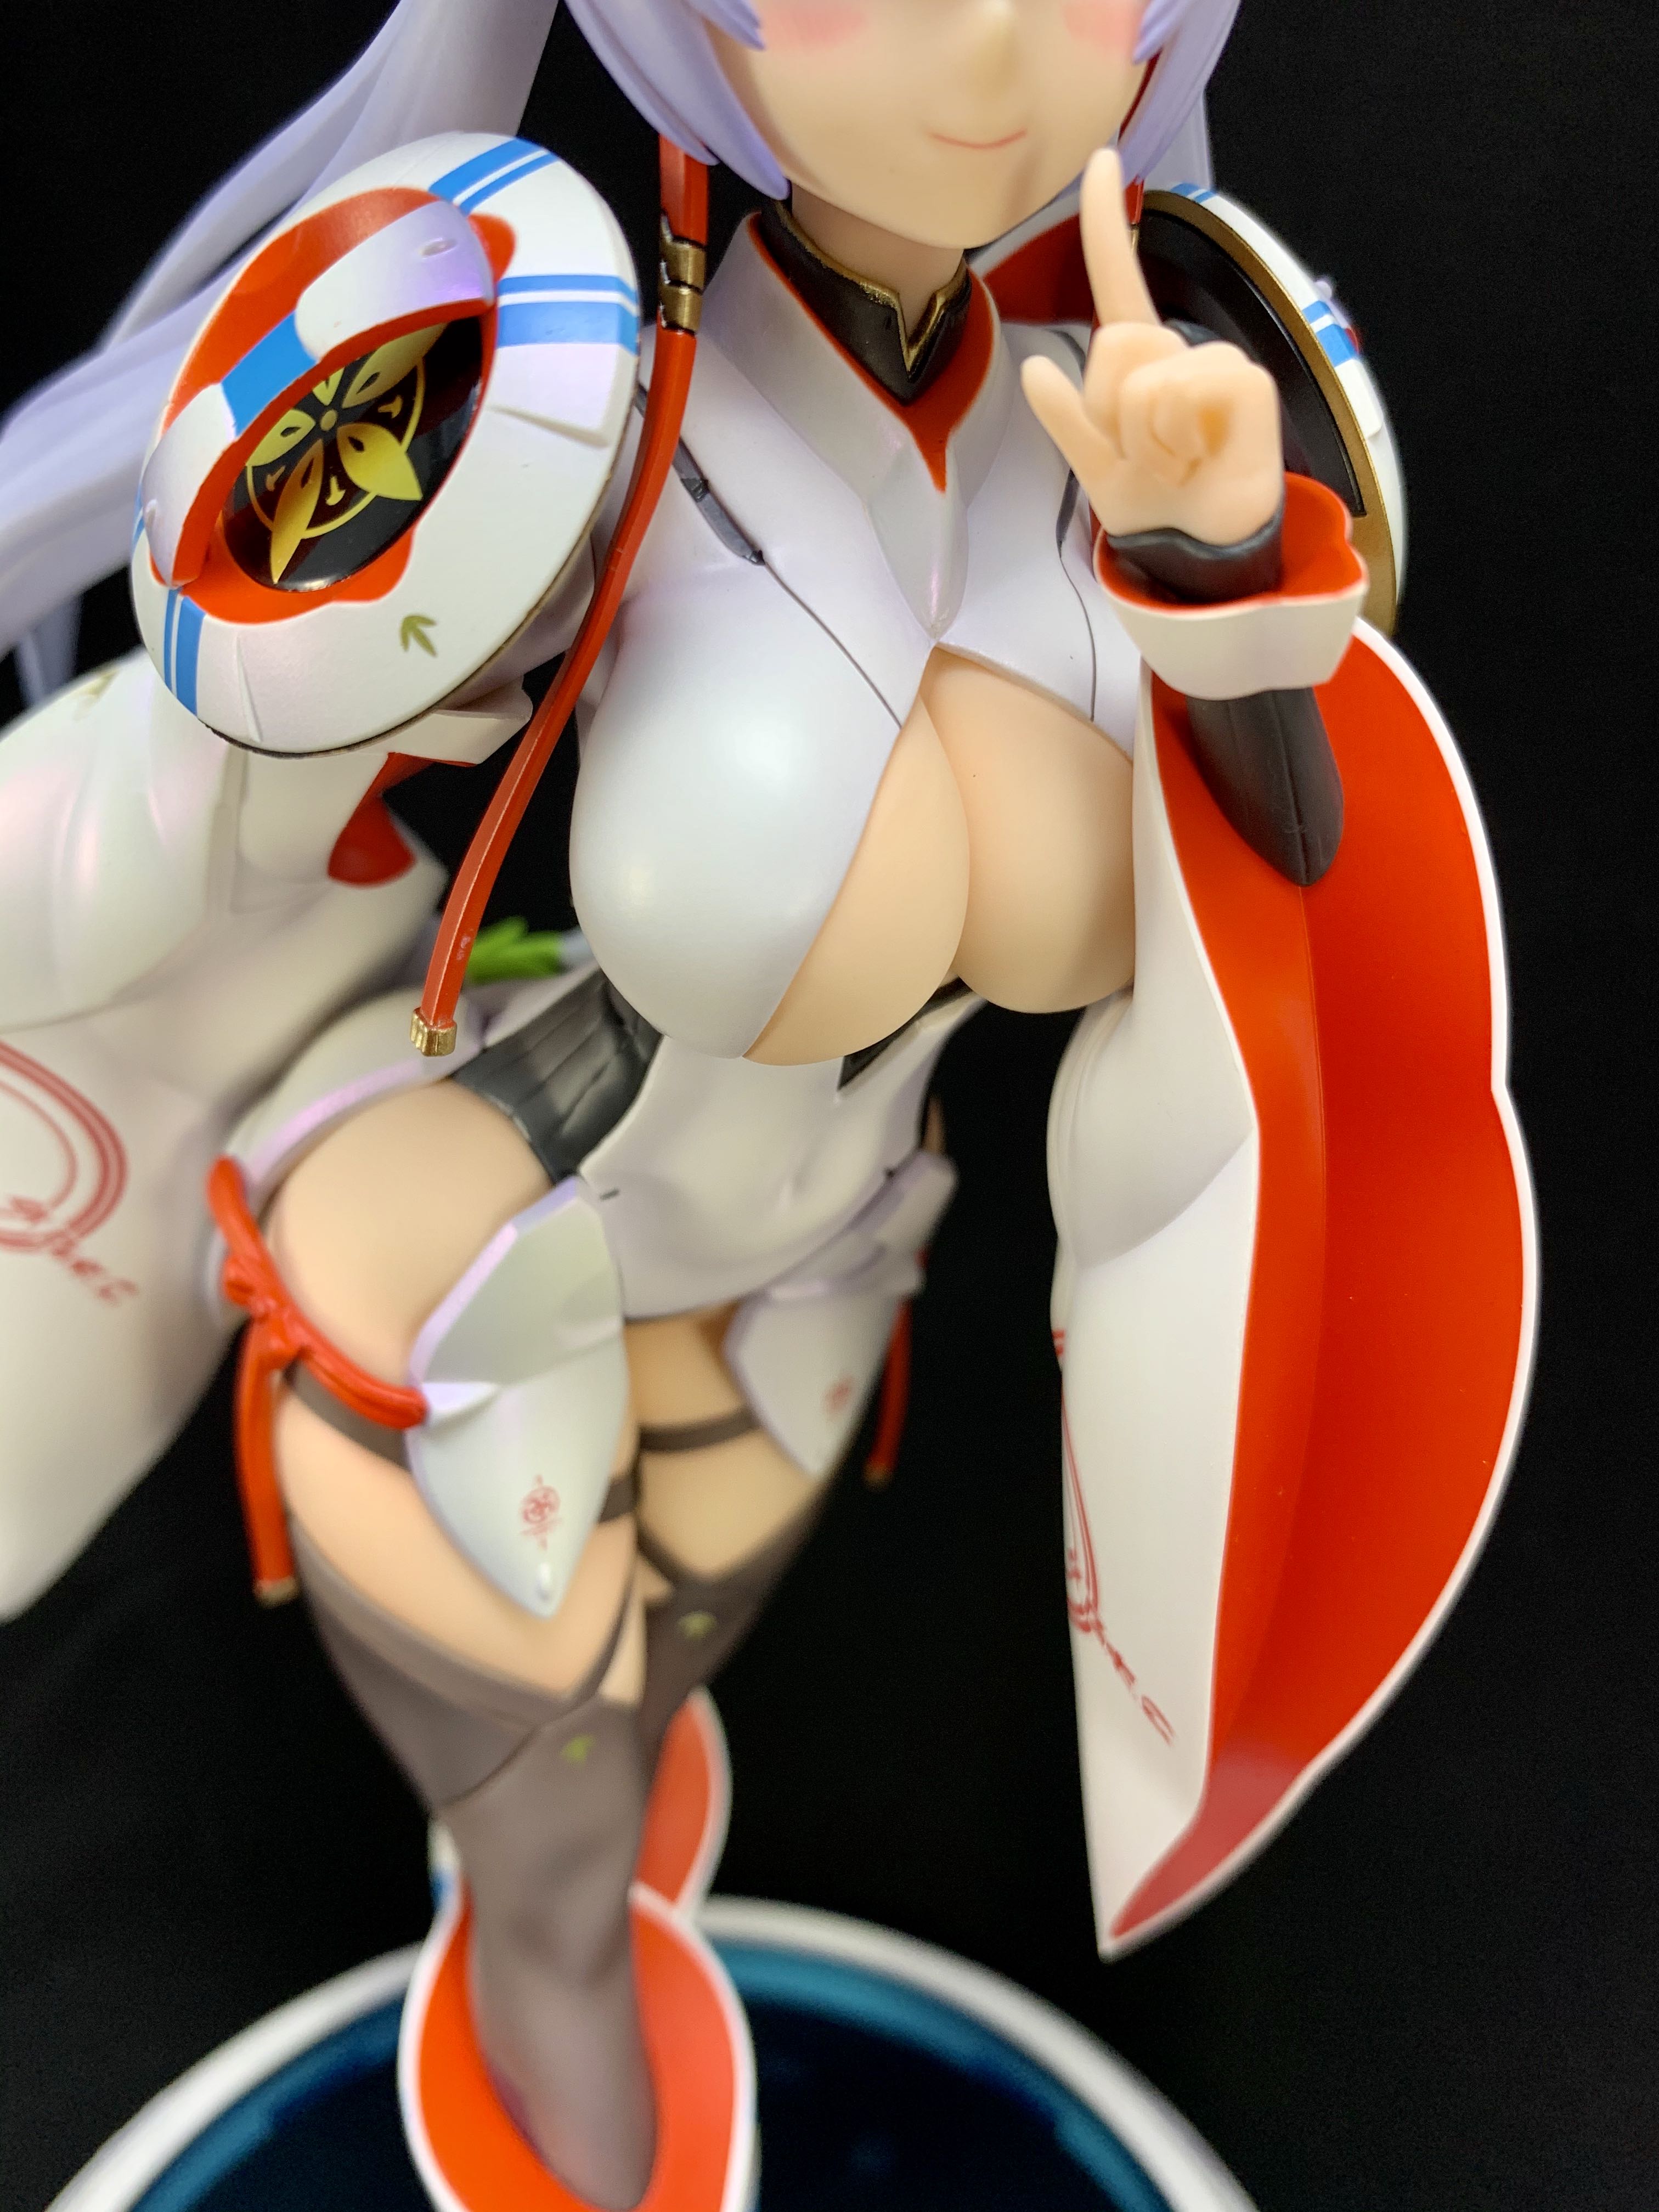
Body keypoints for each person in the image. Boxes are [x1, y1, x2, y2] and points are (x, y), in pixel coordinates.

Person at [0, 3, 1534, 2207]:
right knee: (551, 1910)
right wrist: (368, 687)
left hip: (813, 1258)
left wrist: (1210, 561)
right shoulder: (546, 379)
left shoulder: (1154, 381)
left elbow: (1285, 876)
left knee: (636, 1768)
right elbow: (235, 762)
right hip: (479, 1255)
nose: (990, 45)